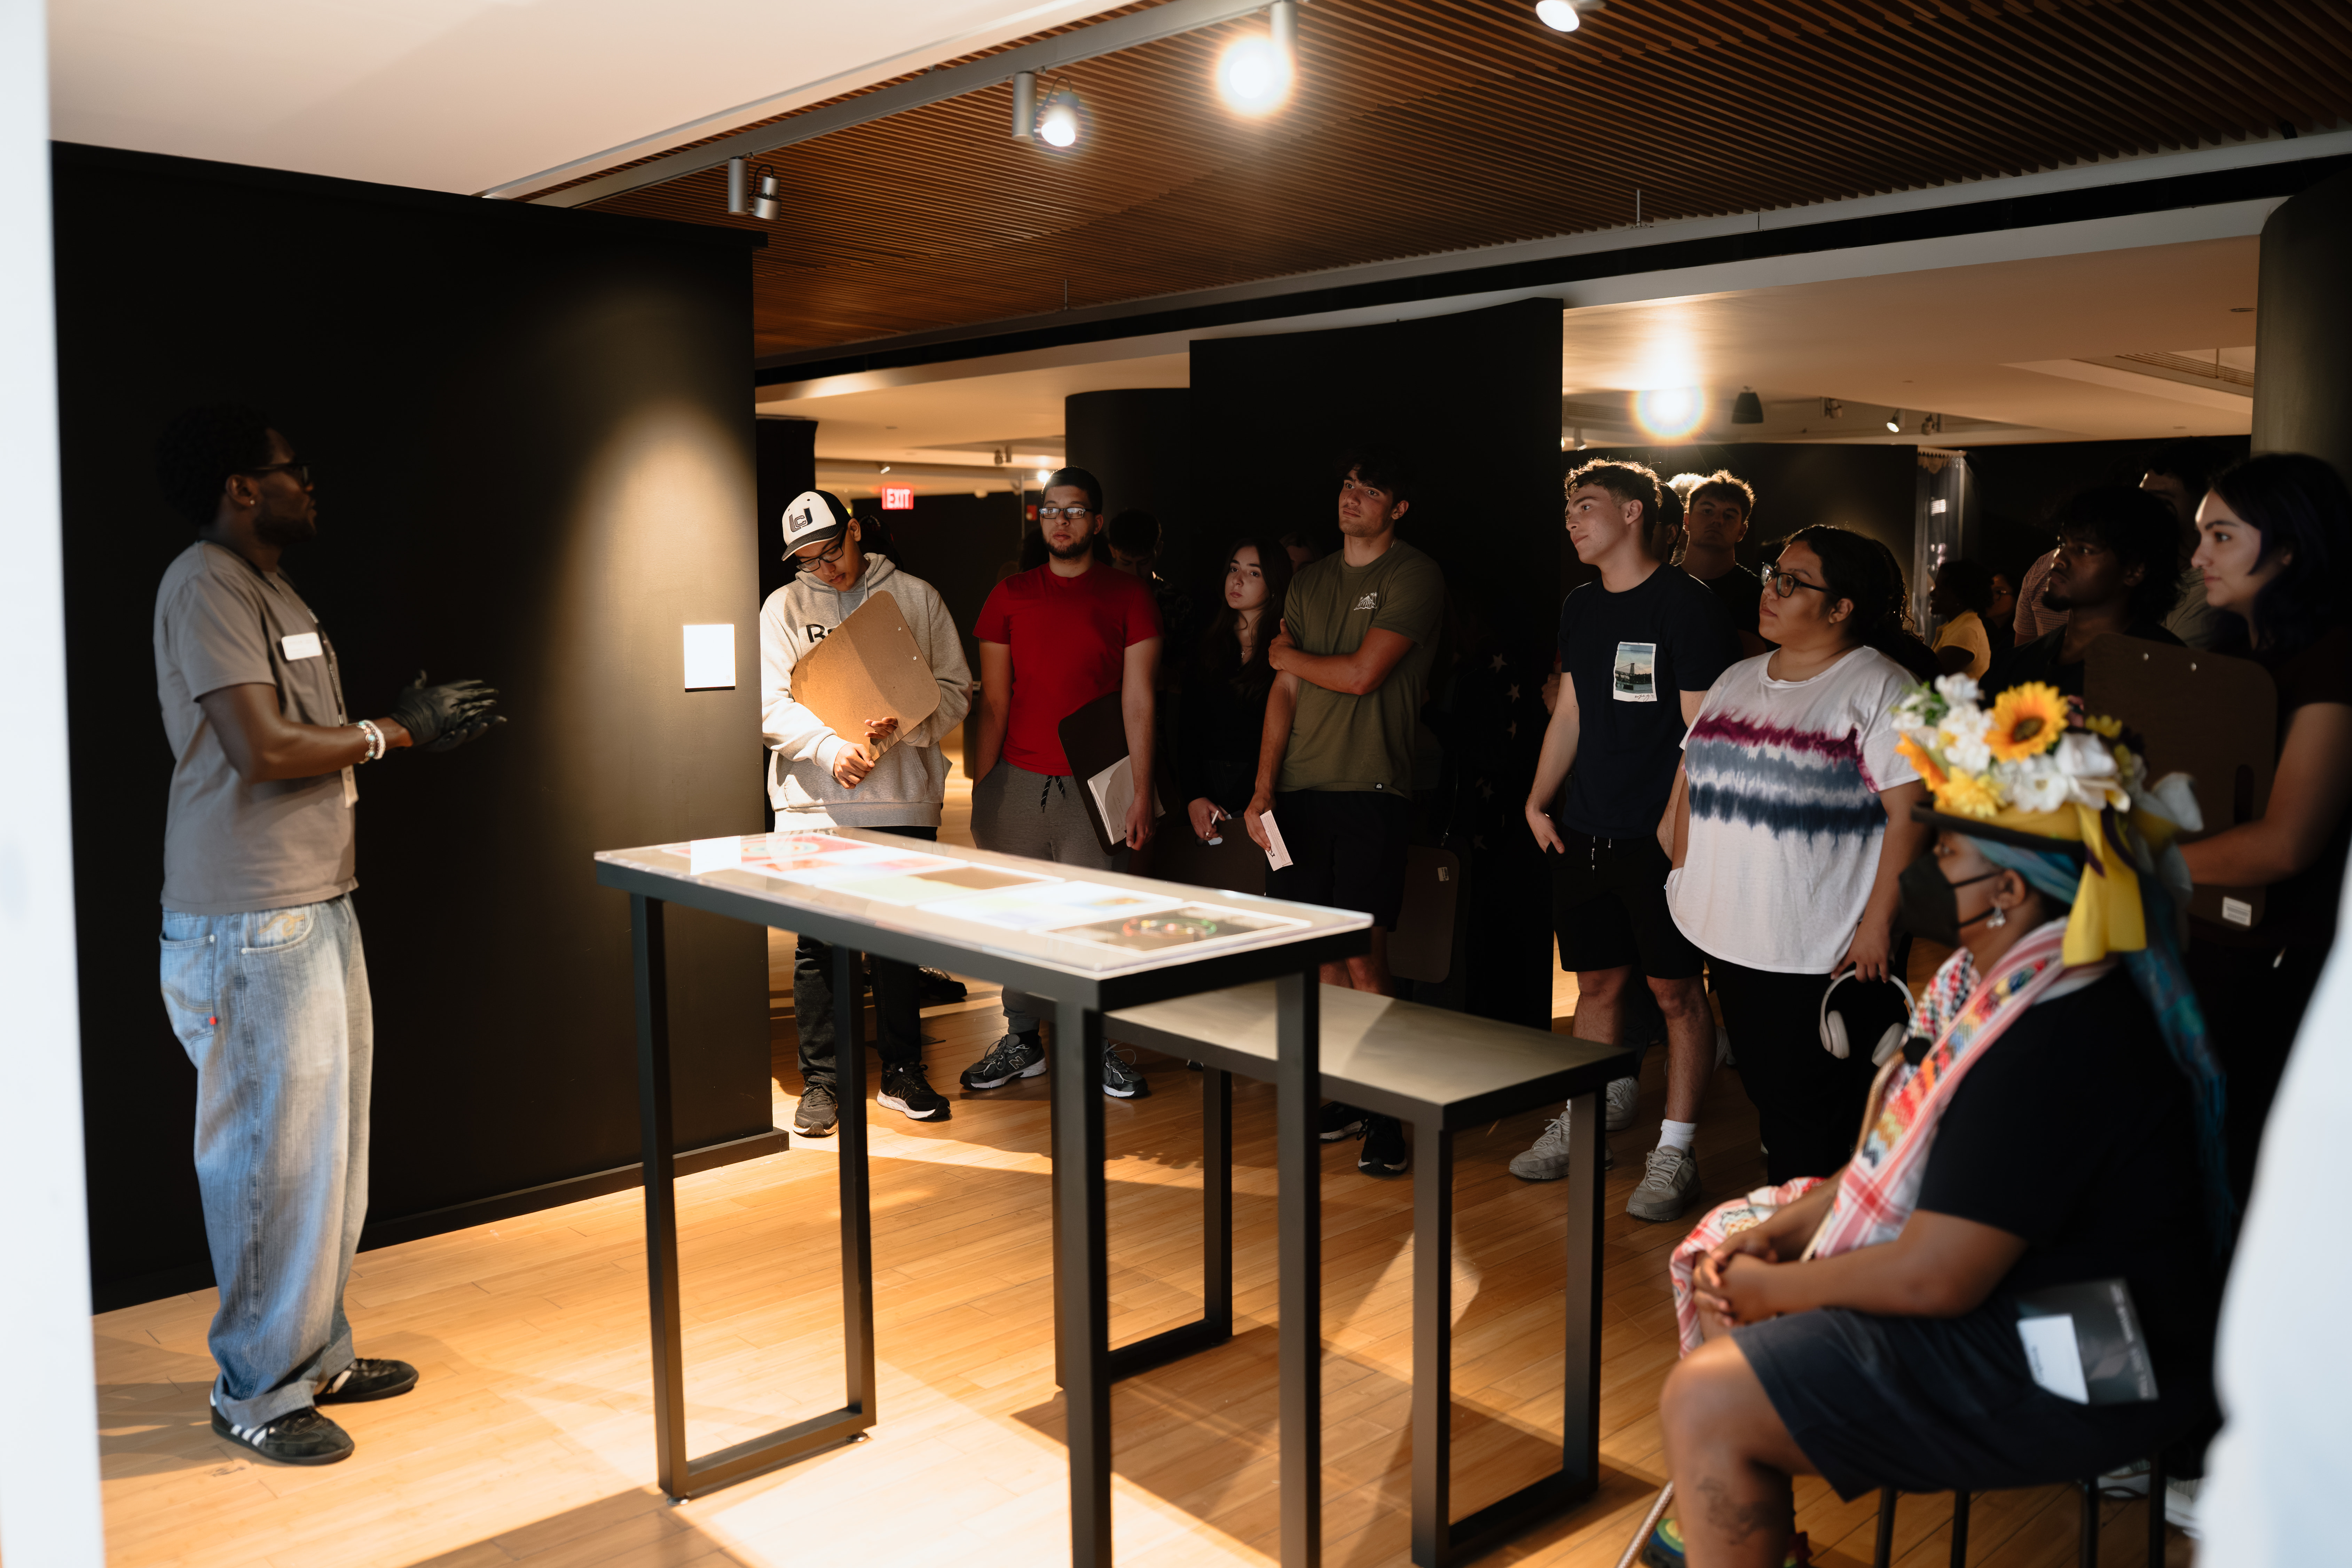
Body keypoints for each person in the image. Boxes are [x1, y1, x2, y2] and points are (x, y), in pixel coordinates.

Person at [1647, 692, 2225, 1568]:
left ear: (2008, 890)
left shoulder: (2054, 1035)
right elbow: (1896, 1156)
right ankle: (1746, 1528)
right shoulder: (2003, 988)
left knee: (1708, 1397)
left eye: (1949, 852)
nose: (1927, 864)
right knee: (1734, 1263)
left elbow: (1939, 1273)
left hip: (2099, 1356)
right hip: (2040, 1298)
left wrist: (1780, 1288)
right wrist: (1783, 1234)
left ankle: (1735, 1513)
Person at [151, 405, 504, 1465]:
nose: (310, 482)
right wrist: (397, 731)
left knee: (326, 1157)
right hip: (248, 917)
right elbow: (261, 747)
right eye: (290, 469)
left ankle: (313, 1353)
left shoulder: (275, 590)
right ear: (240, 486)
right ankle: (256, 1388)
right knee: (268, 1159)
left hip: (312, 901)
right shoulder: (205, 584)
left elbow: (307, 733)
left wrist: (386, 731)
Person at [1667, 528, 1932, 1189]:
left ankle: (1813, 1238)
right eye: (1772, 574)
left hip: (1817, 945)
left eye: (1793, 582)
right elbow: (1692, 781)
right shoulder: (1736, 678)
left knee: (1812, 1114)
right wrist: (1682, 871)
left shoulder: (1885, 689)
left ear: (1842, 607)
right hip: (1730, 935)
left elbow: (1913, 817)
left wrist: (1878, 926)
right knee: (1769, 1094)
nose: (1771, 590)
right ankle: (1796, 1227)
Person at [1517, 460, 1736, 1221]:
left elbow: (1704, 735)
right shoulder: (1580, 605)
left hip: (1660, 837)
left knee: (1676, 992)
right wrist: (1538, 799)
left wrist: (1676, 830)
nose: (1572, 520)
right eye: (1569, 508)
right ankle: (1581, 1124)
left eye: (1586, 504)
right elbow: (1571, 711)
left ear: (1634, 512)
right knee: (1598, 985)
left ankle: (1676, 1150)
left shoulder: (1687, 605)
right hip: (1585, 828)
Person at [1244, 447, 1445, 1177]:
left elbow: (1363, 675)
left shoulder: (1413, 574)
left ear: (1399, 508)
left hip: (1372, 788)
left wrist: (1285, 656)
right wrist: (1262, 787)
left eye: (1371, 490)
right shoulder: (1311, 580)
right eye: (1347, 484)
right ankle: (1352, 1094)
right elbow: (1286, 692)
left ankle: (1388, 1113)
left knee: (1364, 954)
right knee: (1319, 953)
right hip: (1298, 791)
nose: (1351, 496)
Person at [761, 489, 972, 1136]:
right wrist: (828, 749)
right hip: (813, 806)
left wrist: (905, 720)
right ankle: (823, 1081)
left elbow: (955, 690)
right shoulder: (784, 607)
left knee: (898, 941)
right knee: (818, 944)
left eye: (831, 553)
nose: (825, 571)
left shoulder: (916, 597)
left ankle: (902, 1071)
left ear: (855, 531)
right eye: (808, 561)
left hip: (902, 797)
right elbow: (768, 704)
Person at [2178, 452, 2352, 1198]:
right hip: (2214, 947)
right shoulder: (2237, 655)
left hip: (2281, 966)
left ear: (2288, 548)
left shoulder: (2332, 662)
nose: (2198, 557)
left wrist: (2144, 860)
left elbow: (2286, 843)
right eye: (2201, 535)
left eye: (2221, 536)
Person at [962, 466, 1162, 1100]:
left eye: (1074, 511)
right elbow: (994, 703)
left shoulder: (1128, 596)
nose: (1061, 521)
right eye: (1051, 510)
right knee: (1018, 921)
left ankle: (1094, 1042)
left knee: (1093, 923)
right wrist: (983, 789)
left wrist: (1141, 790)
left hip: (1095, 786)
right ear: (1040, 518)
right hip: (1017, 782)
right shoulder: (1009, 596)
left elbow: (1139, 701)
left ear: (1096, 523)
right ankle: (1023, 1041)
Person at [1985, 485, 2184, 700]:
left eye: (2084, 550)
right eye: (2063, 543)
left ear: (2134, 571)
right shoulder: (2015, 665)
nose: (2059, 559)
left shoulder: (2166, 669)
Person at [1179, 536, 1295, 842]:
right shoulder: (1207, 644)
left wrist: (1253, 793)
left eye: (1254, 573)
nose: (1238, 580)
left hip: (1266, 789)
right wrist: (1194, 795)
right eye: (1234, 569)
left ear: (1275, 585)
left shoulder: (1286, 649)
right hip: (1206, 790)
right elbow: (1187, 727)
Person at [2142, 443, 2230, 650]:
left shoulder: (2212, 595)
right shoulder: (2150, 578)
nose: (2141, 512)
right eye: (2140, 500)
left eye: (2161, 503)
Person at [1679, 471, 1772, 659]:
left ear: (1742, 532)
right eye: (1707, 511)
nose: (1718, 520)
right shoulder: (1660, 585)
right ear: (1687, 521)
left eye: (1729, 516)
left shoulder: (1759, 595)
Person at [1927, 557, 1995, 678]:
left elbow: (1928, 677)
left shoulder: (1967, 631)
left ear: (1959, 593)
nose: (1932, 593)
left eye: (1939, 588)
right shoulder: (1963, 625)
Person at [1983, 568, 2018, 658]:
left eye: (1999, 592)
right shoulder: (1986, 635)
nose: (1989, 597)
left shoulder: (2016, 641)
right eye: (1989, 591)